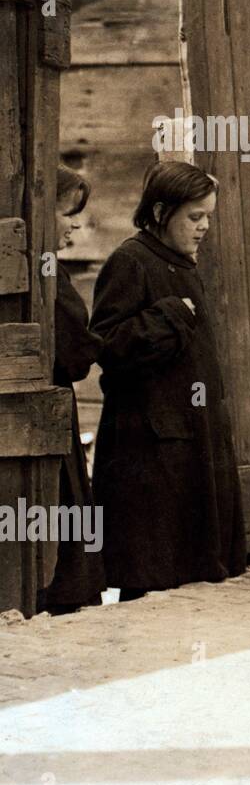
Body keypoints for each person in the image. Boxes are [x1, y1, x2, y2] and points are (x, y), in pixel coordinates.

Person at [91, 162, 246, 598]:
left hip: (188, 439)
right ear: (160, 212)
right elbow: (108, 346)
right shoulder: (131, 261)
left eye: (208, 217)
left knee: (191, 578)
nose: (204, 227)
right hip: (148, 448)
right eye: (195, 217)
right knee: (151, 574)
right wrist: (171, 316)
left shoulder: (180, 263)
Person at [36, 167, 106, 615]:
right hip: (51, 413)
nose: (75, 225)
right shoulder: (48, 273)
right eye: (68, 213)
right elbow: (75, 354)